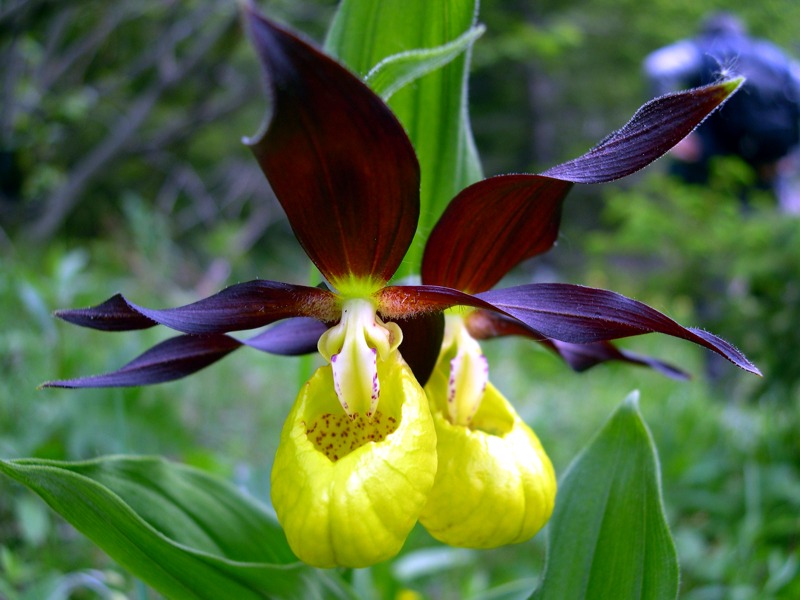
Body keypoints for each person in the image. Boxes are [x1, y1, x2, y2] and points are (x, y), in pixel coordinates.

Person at [644, 12, 800, 209]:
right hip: (765, 157)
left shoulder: (701, 49)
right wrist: (792, 154)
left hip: (709, 157)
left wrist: (668, 133)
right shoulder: (769, 55)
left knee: (693, 213)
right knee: (765, 219)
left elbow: (658, 67)